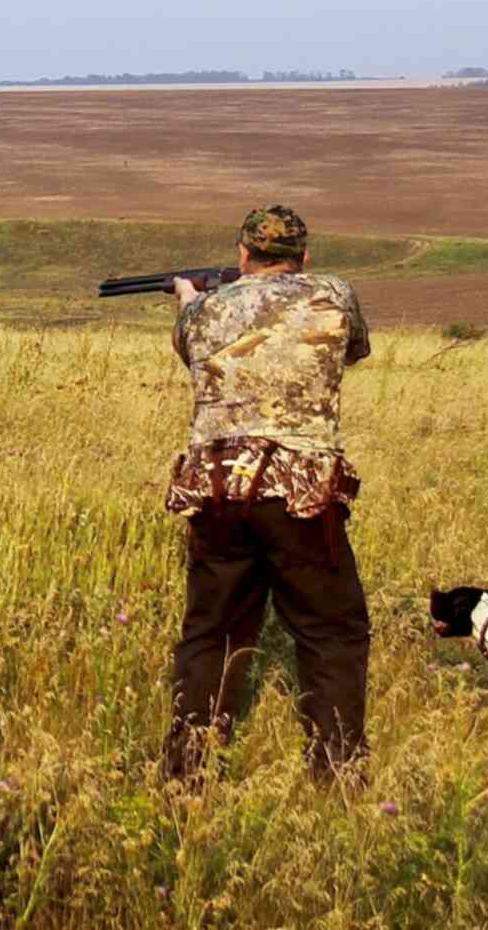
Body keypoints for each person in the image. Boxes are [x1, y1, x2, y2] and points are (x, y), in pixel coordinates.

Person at [159, 204, 372, 784]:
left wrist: (188, 300)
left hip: (218, 486)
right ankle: (338, 773)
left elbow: (192, 351)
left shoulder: (203, 310)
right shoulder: (333, 293)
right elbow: (351, 350)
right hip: (302, 492)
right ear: (303, 256)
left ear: (242, 254)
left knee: (211, 633)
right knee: (331, 632)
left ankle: (187, 774)